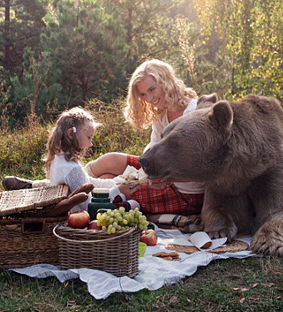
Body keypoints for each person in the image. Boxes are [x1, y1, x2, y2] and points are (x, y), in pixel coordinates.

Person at [85, 59, 205, 216]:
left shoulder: (193, 113)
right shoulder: (162, 113)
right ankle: (75, 182)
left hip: (184, 192)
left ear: (166, 82)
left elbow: (198, 167)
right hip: (159, 173)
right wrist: (138, 172)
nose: (148, 98)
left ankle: (80, 200)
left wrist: (151, 178)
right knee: (110, 161)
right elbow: (153, 146)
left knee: (114, 190)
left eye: (152, 89)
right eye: (143, 94)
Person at [2, 107, 135, 212]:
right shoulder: (72, 169)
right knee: (134, 204)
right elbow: (88, 206)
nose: (91, 144)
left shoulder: (60, 158)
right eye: (89, 138)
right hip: (75, 215)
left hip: (73, 208)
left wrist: (115, 183)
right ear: (71, 134)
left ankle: (27, 185)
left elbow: (88, 183)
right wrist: (118, 192)